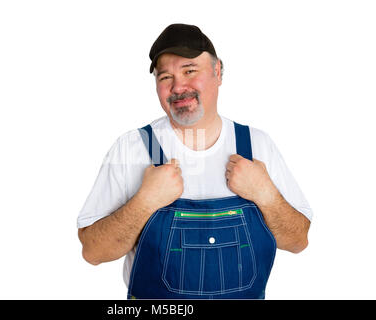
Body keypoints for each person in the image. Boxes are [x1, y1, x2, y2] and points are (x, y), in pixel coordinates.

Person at [77, 23, 312, 299]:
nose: (178, 87)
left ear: (218, 72)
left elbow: (298, 241)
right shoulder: (133, 148)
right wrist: (145, 202)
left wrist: (266, 195)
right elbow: (93, 252)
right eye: (165, 77)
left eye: (190, 71)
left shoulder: (256, 145)